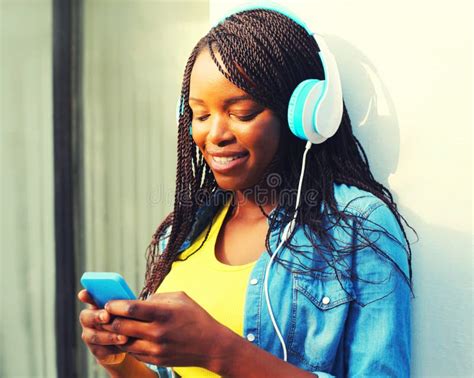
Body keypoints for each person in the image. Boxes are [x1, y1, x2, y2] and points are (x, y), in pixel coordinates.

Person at [78, 5, 416, 378]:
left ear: (304, 114)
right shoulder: (184, 232)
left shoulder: (359, 227)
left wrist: (217, 350)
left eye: (241, 112)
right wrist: (120, 358)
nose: (215, 134)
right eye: (201, 115)